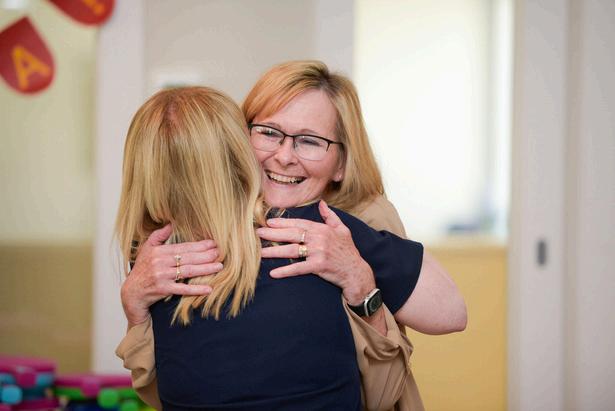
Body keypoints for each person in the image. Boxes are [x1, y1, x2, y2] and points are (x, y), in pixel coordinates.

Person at [118, 61, 467, 409]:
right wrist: (134, 304)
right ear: (240, 137)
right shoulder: (174, 239)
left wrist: (360, 281)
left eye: (310, 141)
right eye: (269, 133)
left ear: (341, 164)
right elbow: (171, 385)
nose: (284, 157)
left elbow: (448, 316)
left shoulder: (352, 222)